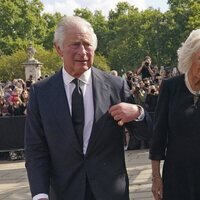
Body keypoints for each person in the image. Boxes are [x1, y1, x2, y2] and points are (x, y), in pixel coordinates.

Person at [25, 16, 151, 200]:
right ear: (58, 48)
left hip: (109, 192)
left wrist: (138, 114)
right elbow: (35, 149)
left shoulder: (116, 86)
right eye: (75, 44)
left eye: (87, 44)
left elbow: (148, 134)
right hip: (63, 192)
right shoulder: (41, 93)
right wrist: (40, 194)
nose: (83, 52)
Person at [149, 29, 200, 200]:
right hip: (177, 175)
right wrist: (156, 177)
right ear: (189, 58)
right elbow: (158, 136)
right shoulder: (170, 87)